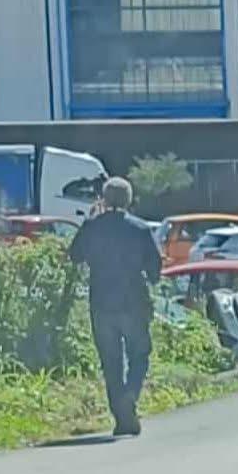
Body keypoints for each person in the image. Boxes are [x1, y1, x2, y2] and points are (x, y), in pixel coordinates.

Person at [68, 176, 161, 436]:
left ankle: (122, 418)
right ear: (129, 200)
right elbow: (154, 271)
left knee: (110, 362)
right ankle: (131, 394)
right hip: (133, 301)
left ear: (105, 199)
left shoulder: (92, 227)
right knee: (140, 354)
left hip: (101, 303)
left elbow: (74, 256)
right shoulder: (141, 229)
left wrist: (91, 219)